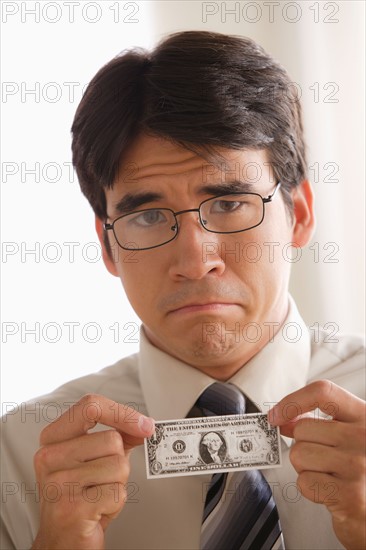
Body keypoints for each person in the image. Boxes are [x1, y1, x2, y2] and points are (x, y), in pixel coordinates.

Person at [1, 30, 365, 550]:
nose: (195, 261)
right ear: (107, 248)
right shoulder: (19, 458)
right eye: (148, 216)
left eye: (229, 204)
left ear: (299, 215)